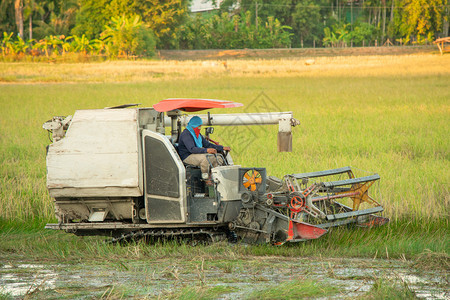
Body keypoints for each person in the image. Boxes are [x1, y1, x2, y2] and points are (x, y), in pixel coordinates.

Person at [177, 116, 231, 182]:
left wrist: (222, 148)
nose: (199, 128)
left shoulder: (198, 135)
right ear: (194, 125)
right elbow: (192, 149)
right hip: (187, 156)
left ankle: (215, 177)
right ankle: (206, 179)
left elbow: (207, 144)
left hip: (196, 154)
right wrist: (206, 150)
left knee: (218, 157)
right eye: (199, 126)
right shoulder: (186, 134)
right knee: (205, 159)